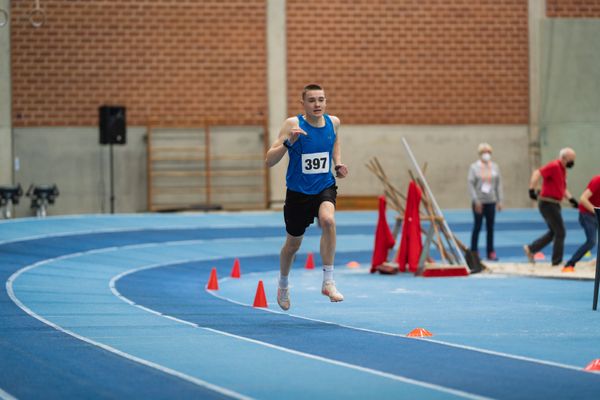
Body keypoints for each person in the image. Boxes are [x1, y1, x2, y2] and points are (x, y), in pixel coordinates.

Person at [265, 84, 348, 311]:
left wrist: (337, 163)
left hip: (324, 185)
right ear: (303, 104)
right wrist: (288, 143)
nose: (317, 104)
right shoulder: (293, 125)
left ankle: (328, 281)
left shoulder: (334, 122)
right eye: (311, 100)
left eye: (321, 99)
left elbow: (334, 140)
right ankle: (283, 284)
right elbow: (269, 160)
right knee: (293, 245)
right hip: (298, 193)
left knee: (328, 220)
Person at [524, 147, 578, 266]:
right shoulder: (554, 166)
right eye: (571, 160)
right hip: (548, 203)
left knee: (554, 232)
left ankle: (531, 248)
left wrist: (571, 199)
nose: (572, 163)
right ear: (563, 158)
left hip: (555, 203)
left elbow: (562, 188)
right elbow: (537, 173)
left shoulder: (563, 170)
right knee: (561, 231)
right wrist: (531, 189)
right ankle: (557, 261)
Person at [467, 143, 503, 261]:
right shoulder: (474, 167)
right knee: (477, 227)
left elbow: (499, 184)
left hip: (491, 201)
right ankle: (474, 252)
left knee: (490, 228)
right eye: (484, 152)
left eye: (488, 152)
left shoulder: (495, 167)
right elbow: (470, 184)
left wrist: (499, 200)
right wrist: (475, 200)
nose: (486, 154)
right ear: (480, 154)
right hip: (479, 202)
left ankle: (490, 251)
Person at [563, 175, 600, 272]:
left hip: (595, 213)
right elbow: (583, 199)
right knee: (591, 241)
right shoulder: (597, 180)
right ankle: (569, 264)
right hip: (586, 214)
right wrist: (597, 212)